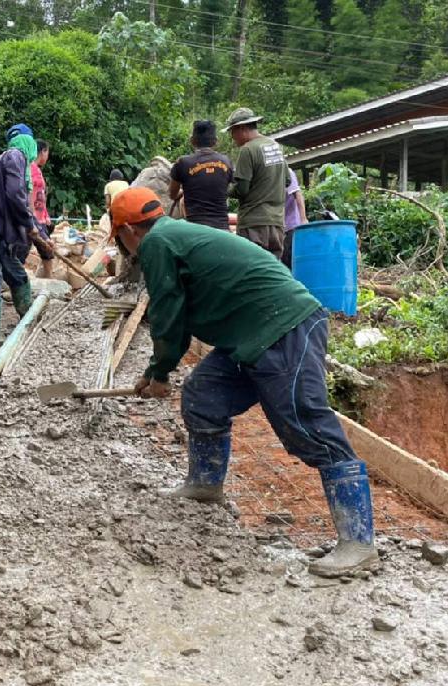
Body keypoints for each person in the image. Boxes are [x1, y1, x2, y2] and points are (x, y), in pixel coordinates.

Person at [111, 187, 378, 578]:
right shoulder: (174, 235)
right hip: (252, 334)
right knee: (204, 395)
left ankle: (359, 543)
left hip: (284, 326)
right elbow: (176, 317)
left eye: (120, 239)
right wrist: (154, 372)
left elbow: (168, 318)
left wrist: (161, 373)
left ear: (128, 230)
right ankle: (205, 485)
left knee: (306, 423)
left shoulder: (157, 243)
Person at [0, 123, 51, 350]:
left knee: (16, 273)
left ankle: (29, 318)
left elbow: (24, 205)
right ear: (28, 142)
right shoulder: (15, 156)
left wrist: (41, 234)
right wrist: (30, 226)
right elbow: (15, 196)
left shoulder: (18, 162)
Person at [226, 106, 290, 257]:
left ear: (242, 128)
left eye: (232, 132)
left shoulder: (248, 150)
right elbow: (287, 180)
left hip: (254, 224)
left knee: (252, 266)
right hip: (277, 222)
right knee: (272, 267)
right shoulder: (275, 146)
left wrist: (224, 189)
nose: (232, 137)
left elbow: (242, 189)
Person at [169, 119, 233, 230]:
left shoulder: (183, 163)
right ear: (216, 141)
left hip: (195, 229)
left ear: (192, 141)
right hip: (222, 229)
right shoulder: (226, 162)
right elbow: (228, 189)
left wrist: (184, 192)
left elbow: (172, 194)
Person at [31, 139, 56, 279]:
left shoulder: (37, 170)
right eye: (47, 152)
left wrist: (45, 215)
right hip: (32, 216)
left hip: (40, 217)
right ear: (43, 151)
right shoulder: (30, 168)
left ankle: (48, 278)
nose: (47, 156)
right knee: (44, 248)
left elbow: (41, 196)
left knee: (46, 251)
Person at [282, 168, 308, 268]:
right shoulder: (264, 173)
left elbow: (297, 194)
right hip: (277, 226)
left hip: (291, 225)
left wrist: (303, 219)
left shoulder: (286, 171)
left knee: (290, 260)